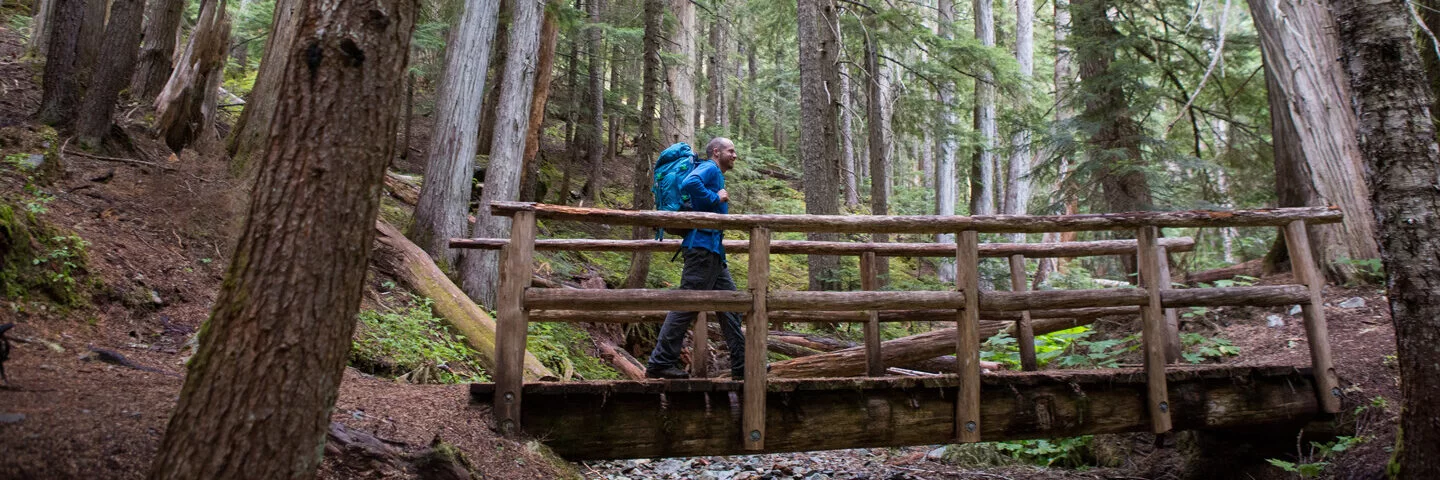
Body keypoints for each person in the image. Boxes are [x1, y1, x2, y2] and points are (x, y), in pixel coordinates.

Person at [645, 137, 747, 380]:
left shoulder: (714, 172)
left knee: (732, 306)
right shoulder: (710, 168)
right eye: (730, 151)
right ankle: (660, 363)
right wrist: (716, 199)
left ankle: (744, 364)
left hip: (712, 251)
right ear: (715, 152)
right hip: (702, 249)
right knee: (686, 304)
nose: (734, 155)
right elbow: (690, 182)